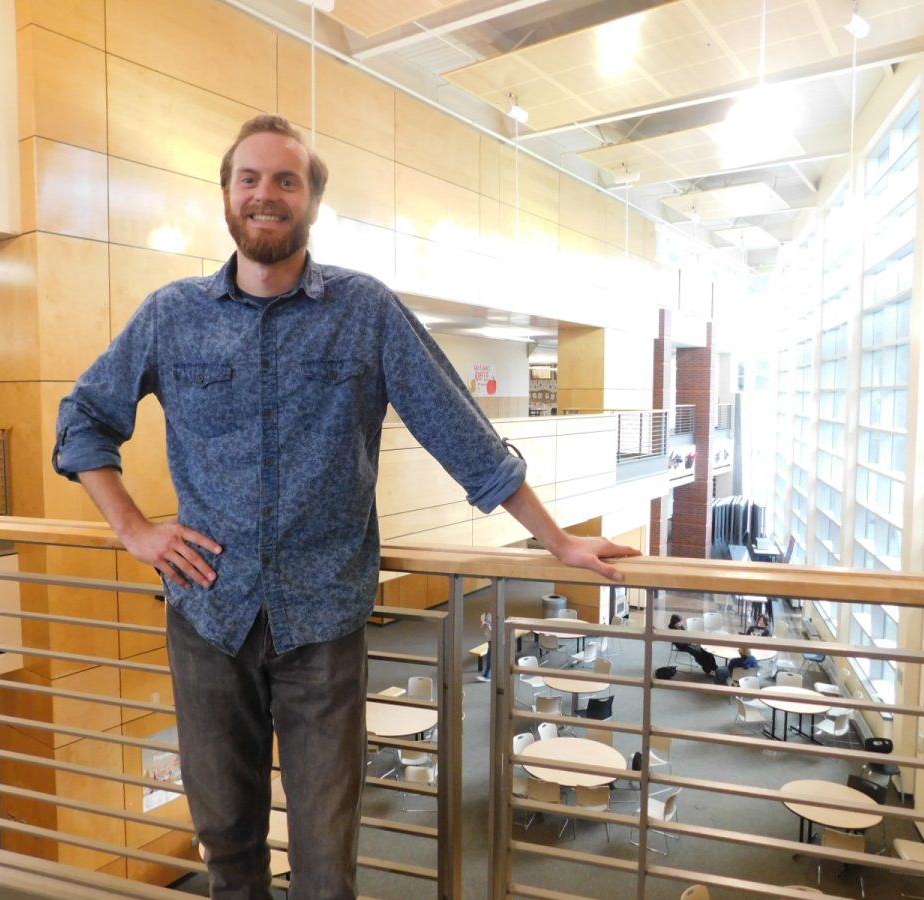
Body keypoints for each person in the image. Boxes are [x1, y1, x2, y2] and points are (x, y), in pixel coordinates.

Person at [52, 114, 639, 900]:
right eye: (249, 179)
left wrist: (558, 539)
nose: (266, 194)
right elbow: (83, 419)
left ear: (311, 202)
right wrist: (133, 527)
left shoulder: (364, 310)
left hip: (322, 624)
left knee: (326, 862)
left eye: (285, 181)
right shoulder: (171, 315)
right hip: (206, 617)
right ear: (226, 196)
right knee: (226, 841)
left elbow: (460, 433)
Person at [476, 612, 493, 683]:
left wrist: (489, 626)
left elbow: (498, 630)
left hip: (494, 640)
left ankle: (487, 675)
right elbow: (484, 625)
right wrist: (484, 623)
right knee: (490, 657)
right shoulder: (489, 614)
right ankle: (487, 675)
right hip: (490, 639)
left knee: (490, 657)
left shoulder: (499, 616)